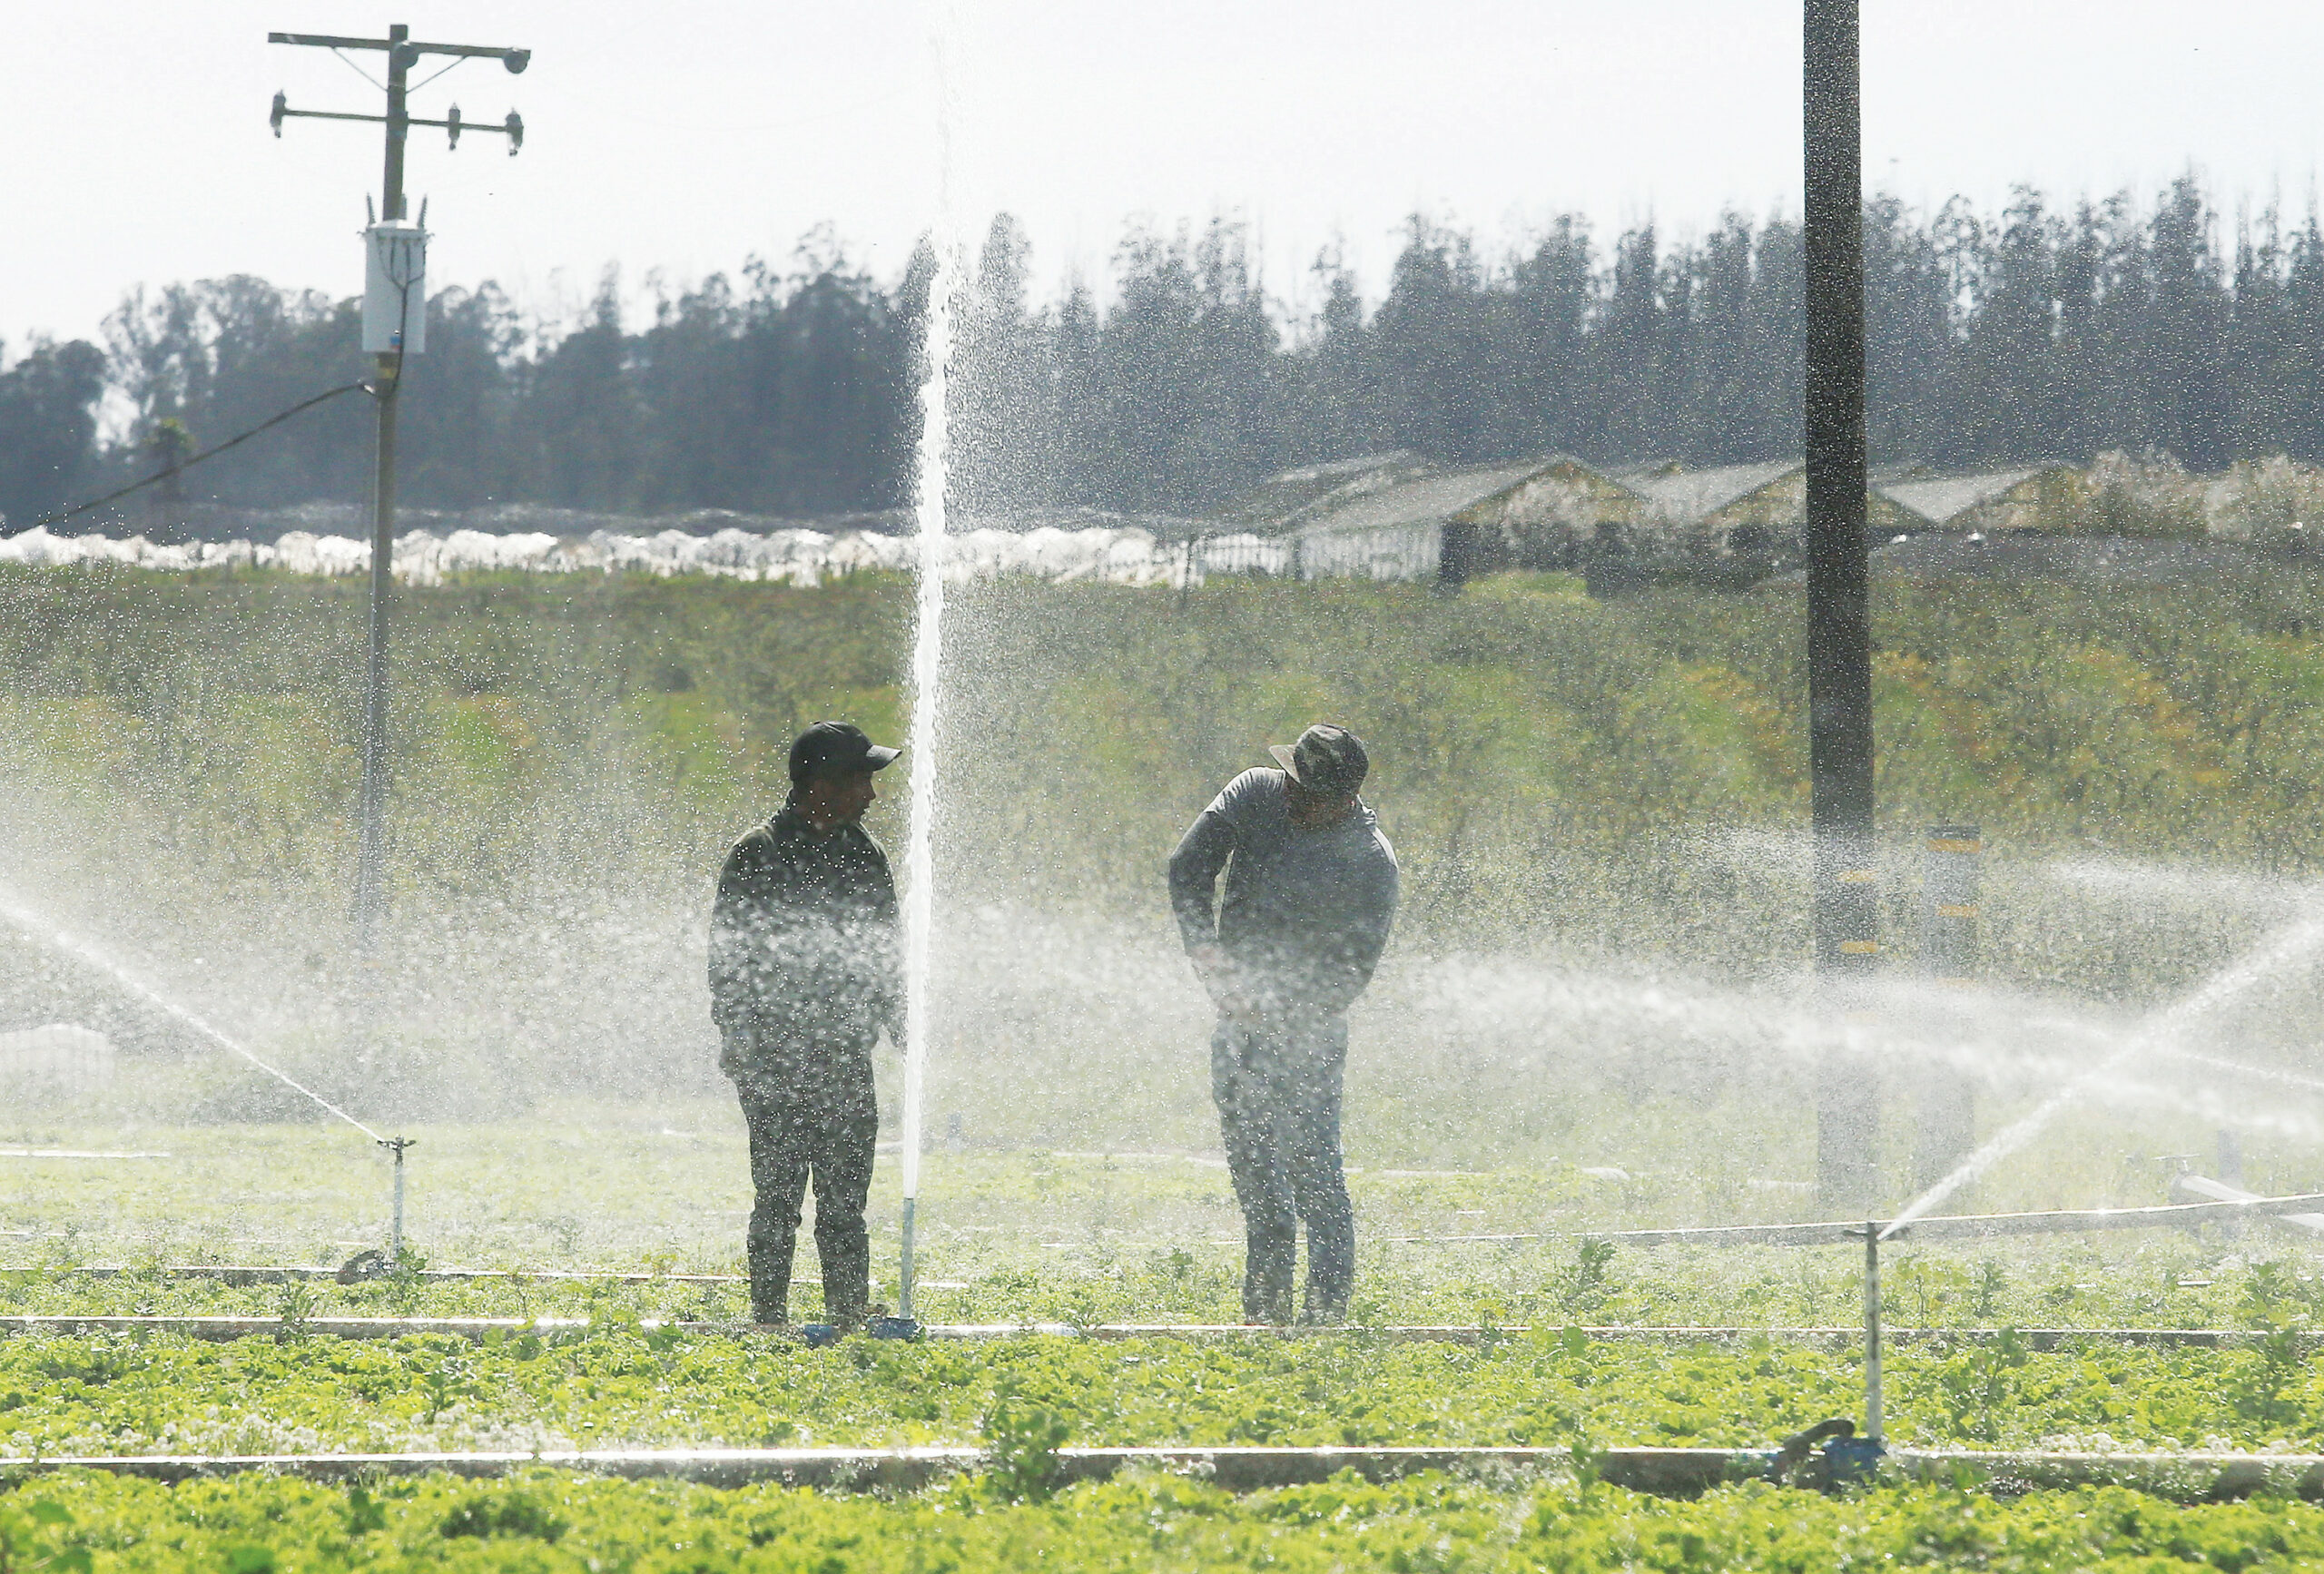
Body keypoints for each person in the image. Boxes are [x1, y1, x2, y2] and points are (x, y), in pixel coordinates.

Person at [1167, 723, 1399, 1325]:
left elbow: (1353, 972)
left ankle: (1325, 1318)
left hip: (1311, 1034)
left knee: (1315, 1173)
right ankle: (1263, 1314)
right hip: (1236, 1021)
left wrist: (1283, 1015)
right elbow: (1187, 866)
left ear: (1346, 798)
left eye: (1311, 796)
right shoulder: (1253, 794)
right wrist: (1213, 962)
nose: (1294, 800)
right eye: (1294, 785)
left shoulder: (1370, 861)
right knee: (1257, 1177)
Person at [708, 721, 902, 1328]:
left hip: (845, 1058)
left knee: (846, 1203)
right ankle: (769, 1318)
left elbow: (885, 947)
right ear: (823, 783)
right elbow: (729, 961)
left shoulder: (863, 853)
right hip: (775, 1060)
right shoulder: (758, 853)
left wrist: (900, 1018)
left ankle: (846, 1318)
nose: (871, 794)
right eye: (861, 779)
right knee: (779, 1199)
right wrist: (741, 1044)